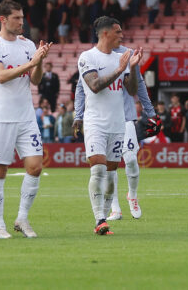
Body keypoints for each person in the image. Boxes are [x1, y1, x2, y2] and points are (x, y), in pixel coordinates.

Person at [0, 0, 51, 239]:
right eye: (17, 18)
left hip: (26, 117)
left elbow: (35, 80)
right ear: (3, 20)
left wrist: (38, 62)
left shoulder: (28, 44)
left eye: (22, 18)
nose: (22, 22)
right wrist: (31, 63)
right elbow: (0, 76)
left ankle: (22, 218)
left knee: (35, 166)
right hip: (2, 118)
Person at [73, 17, 144, 236]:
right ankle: (100, 220)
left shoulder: (120, 58)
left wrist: (131, 68)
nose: (122, 36)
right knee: (98, 169)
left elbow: (131, 91)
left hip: (117, 123)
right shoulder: (87, 57)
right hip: (96, 123)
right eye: (118, 32)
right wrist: (119, 68)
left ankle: (102, 219)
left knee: (111, 176)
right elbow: (94, 85)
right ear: (105, 34)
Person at [75, 45, 157, 221]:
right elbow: (82, 88)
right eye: (117, 31)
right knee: (104, 168)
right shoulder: (91, 57)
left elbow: (139, 85)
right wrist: (78, 114)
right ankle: (114, 209)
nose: (120, 34)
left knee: (130, 159)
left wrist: (151, 112)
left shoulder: (127, 54)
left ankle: (132, 196)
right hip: (99, 120)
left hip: (124, 117)